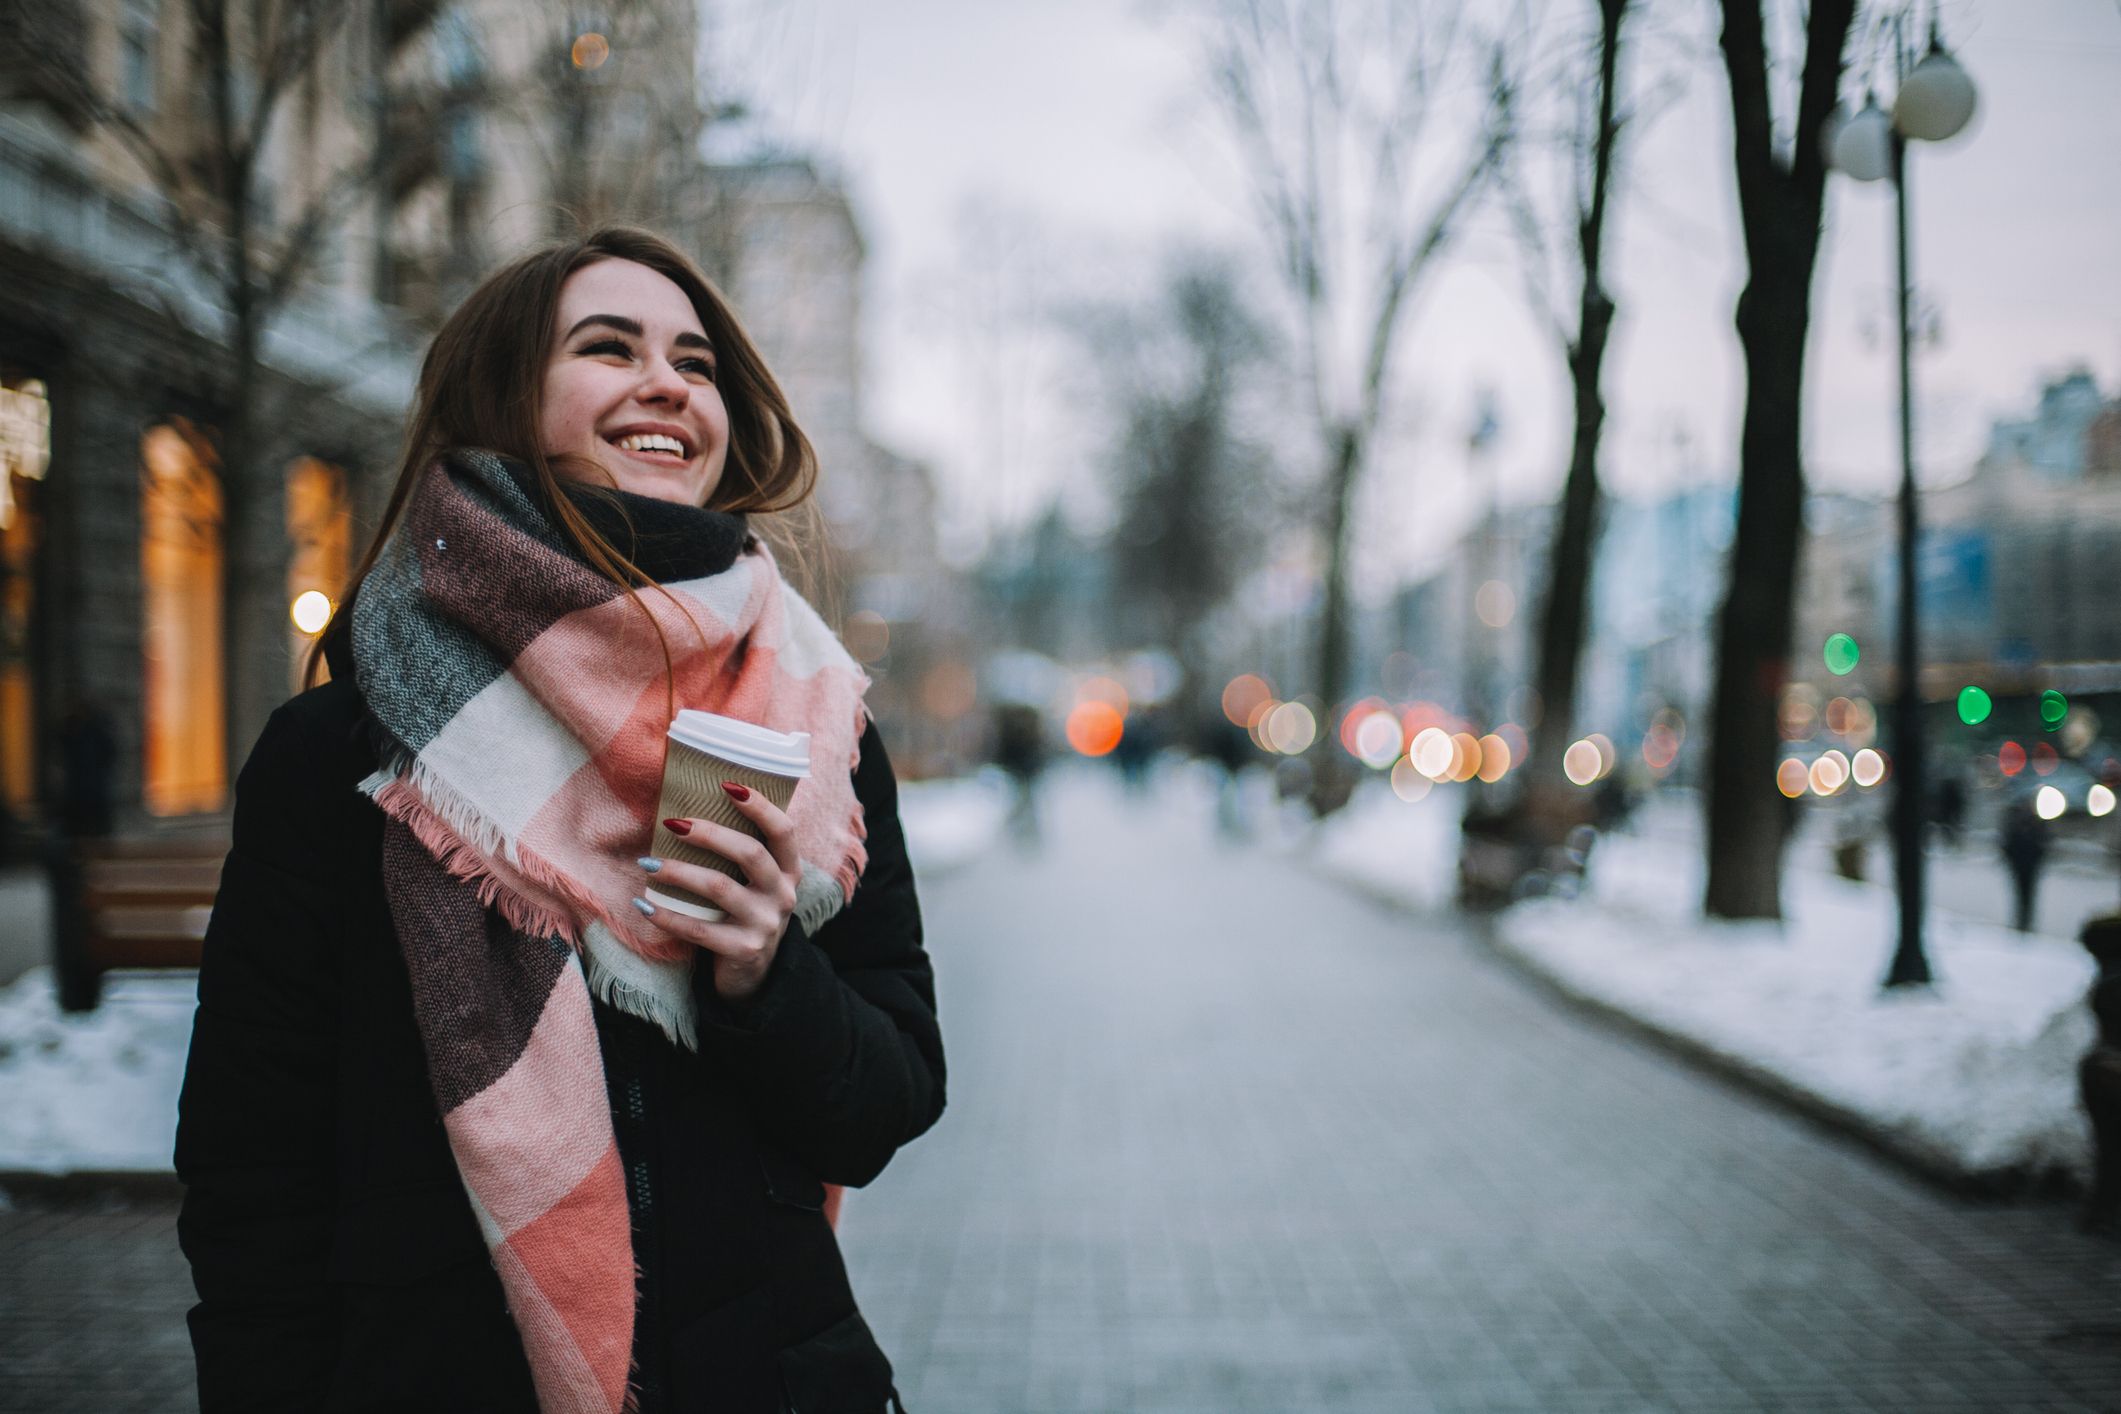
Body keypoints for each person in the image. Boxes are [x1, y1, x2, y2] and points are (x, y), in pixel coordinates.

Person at [174, 229, 944, 1413]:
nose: (670, 383)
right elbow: (253, 1173)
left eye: (696, 361)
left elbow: (884, 1104)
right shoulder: (351, 750)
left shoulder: (815, 729)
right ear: (504, 400)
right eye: (608, 347)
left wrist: (765, 972)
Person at [2000, 793, 2051, 933]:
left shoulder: (2037, 822)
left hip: (2030, 864)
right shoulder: (2017, 822)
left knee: (2028, 894)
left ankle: (2025, 920)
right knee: (2021, 893)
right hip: (2020, 864)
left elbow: (2044, 843)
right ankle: (2021, 920)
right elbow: (2008, 843)